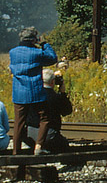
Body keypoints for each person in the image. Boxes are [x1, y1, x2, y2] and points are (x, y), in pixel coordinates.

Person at [9, 27, 57, 155]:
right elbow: (52, 58)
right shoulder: (36, 53)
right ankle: (38, 147)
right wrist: (44, 44)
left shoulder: (13, 52)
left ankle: (16, 151)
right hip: (35, 91)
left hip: (19, 92)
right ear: (33, 40)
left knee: (19, 122)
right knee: (45, 118)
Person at [24, 69, 73, 155]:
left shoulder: (32, 95)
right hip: (49, 137)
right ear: (53, 82)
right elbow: (67, 111)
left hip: (30, 136)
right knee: (64, 144)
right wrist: (63, 93)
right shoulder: (56, 97)